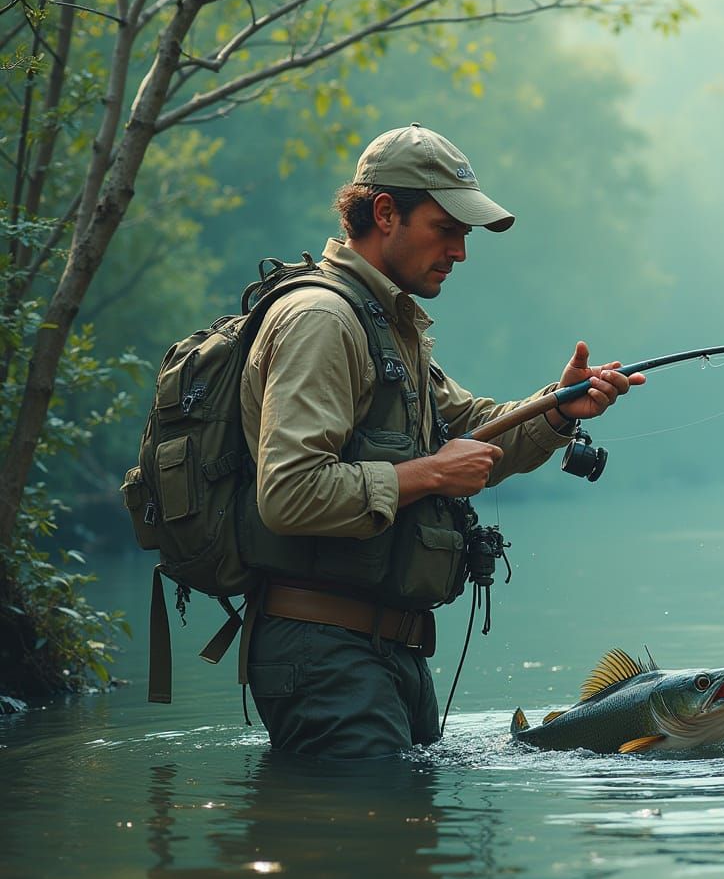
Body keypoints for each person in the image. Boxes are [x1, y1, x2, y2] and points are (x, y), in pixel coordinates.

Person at [238, 123, 644, 760]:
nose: (459, 251)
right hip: (324, 650)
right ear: (384, 213)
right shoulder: (322, 321)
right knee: (368, 818)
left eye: (466, 234)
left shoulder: (385, 324)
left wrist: (559, 407)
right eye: (446, 229)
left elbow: (474, 431)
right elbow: (289, 492)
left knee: (406, 821)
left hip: (383, 648)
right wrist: (430, 474)